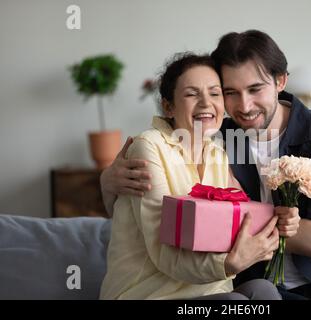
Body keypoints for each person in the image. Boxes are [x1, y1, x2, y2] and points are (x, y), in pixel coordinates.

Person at [101, 30, 311, 300]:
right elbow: (139, 209)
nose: (245, 106)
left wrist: (235, 227)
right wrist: (107, 182)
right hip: (252, 282)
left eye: (255, 89)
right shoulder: (215, 136)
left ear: (281, 81)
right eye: (230, 92)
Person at [100, 53, 287, 300]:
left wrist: (280, 221)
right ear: (168, 106)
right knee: (233, 302)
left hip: (208, 290)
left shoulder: (217, 153)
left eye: (214, 93)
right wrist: (228, 265)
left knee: (263, 290)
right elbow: (163, 251)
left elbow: (238, 220)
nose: (206, 103)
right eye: (191, 94)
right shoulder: (148, 147)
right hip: (149, 295)